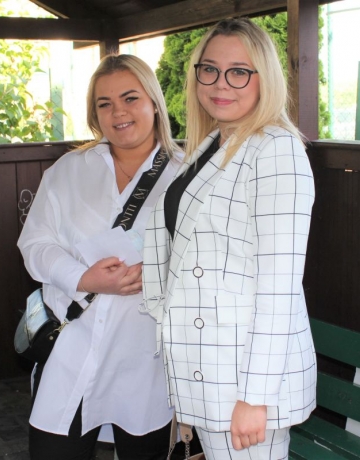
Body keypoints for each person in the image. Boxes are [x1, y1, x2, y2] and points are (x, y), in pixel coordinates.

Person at [141, 18, 317, 460]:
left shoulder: (275, 148)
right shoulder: (215, 143)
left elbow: (279, 284)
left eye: (239, 71)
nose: (221, 83)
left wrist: (255, 397)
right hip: (212, 368)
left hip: (244, 381)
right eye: (210, 69)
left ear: (265, 77)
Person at [17, 54, 180, 460]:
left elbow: (210, 258)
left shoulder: (187, 172)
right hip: (74, 348)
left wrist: (159, 272)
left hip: (148, 358)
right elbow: (35, 243)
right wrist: (83, 278)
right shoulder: (69, 170)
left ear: (154, 101)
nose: (118, 112)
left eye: (130, 98)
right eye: (104, 104)